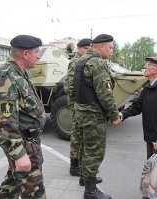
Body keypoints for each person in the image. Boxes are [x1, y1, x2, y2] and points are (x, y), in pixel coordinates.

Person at [0, 35, 46, 199]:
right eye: (36, 52)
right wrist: (19, 154)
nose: (38, 55)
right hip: (23, 145)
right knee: (35, 192)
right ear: (26, 54)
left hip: (29, 143)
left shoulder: (20, 73)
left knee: (12, 185)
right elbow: (3, 123)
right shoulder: (6, 76)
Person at [120, 57, 157, 199]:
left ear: (156, 70)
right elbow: (137, 106)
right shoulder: (149, 87)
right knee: (154, 169)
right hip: (152, 137)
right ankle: (152, 194)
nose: (145, 67)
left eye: (148, 66)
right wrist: (122, 115)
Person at [74, 34, 122, 199]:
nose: (111, 51)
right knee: (94, 151)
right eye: (110, 47)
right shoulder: (97, 63)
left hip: (81, 112)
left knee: (84, 147)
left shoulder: (81, 61)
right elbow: (105, 94)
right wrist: (114, 115)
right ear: (101, 46)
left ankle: (85, 177)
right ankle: (90, 191)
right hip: (93, 115)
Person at [64, 38, 92, 177]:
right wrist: (76, 103)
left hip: (79, 104)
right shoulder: (77, 61)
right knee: (77, 136)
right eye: (87, 48)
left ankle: (79, 165)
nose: (89, 51)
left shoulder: (83, 60)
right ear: (80, 48)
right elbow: (69, 85)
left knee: (80, 135)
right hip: (77, 104)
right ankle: (74, 166)